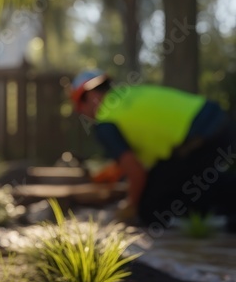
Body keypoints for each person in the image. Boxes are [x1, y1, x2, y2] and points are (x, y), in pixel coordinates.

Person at [69, 69, 236, 231]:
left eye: (79, 106)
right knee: (183, 181)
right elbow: (148, 155)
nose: (81, 112)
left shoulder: (105, 121)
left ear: (90, 97)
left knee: (150, 208)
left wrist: (131, 207)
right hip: (218, 124)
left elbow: (137, 174)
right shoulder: (131, 93)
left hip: (201, 139)